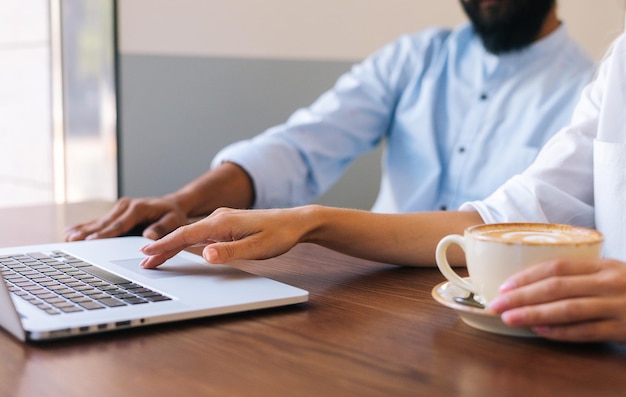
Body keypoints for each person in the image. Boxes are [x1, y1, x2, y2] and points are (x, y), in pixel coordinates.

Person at [137, 30, 626, 345]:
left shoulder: (576, 79)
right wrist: (308, 220)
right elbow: (497, 219)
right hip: (392, 308)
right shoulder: (617, 67)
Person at [66, 0, 594, 242]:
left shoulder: (587, 96)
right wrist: (185, 200)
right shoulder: (416, 57)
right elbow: (304, 142)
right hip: (366, 283)